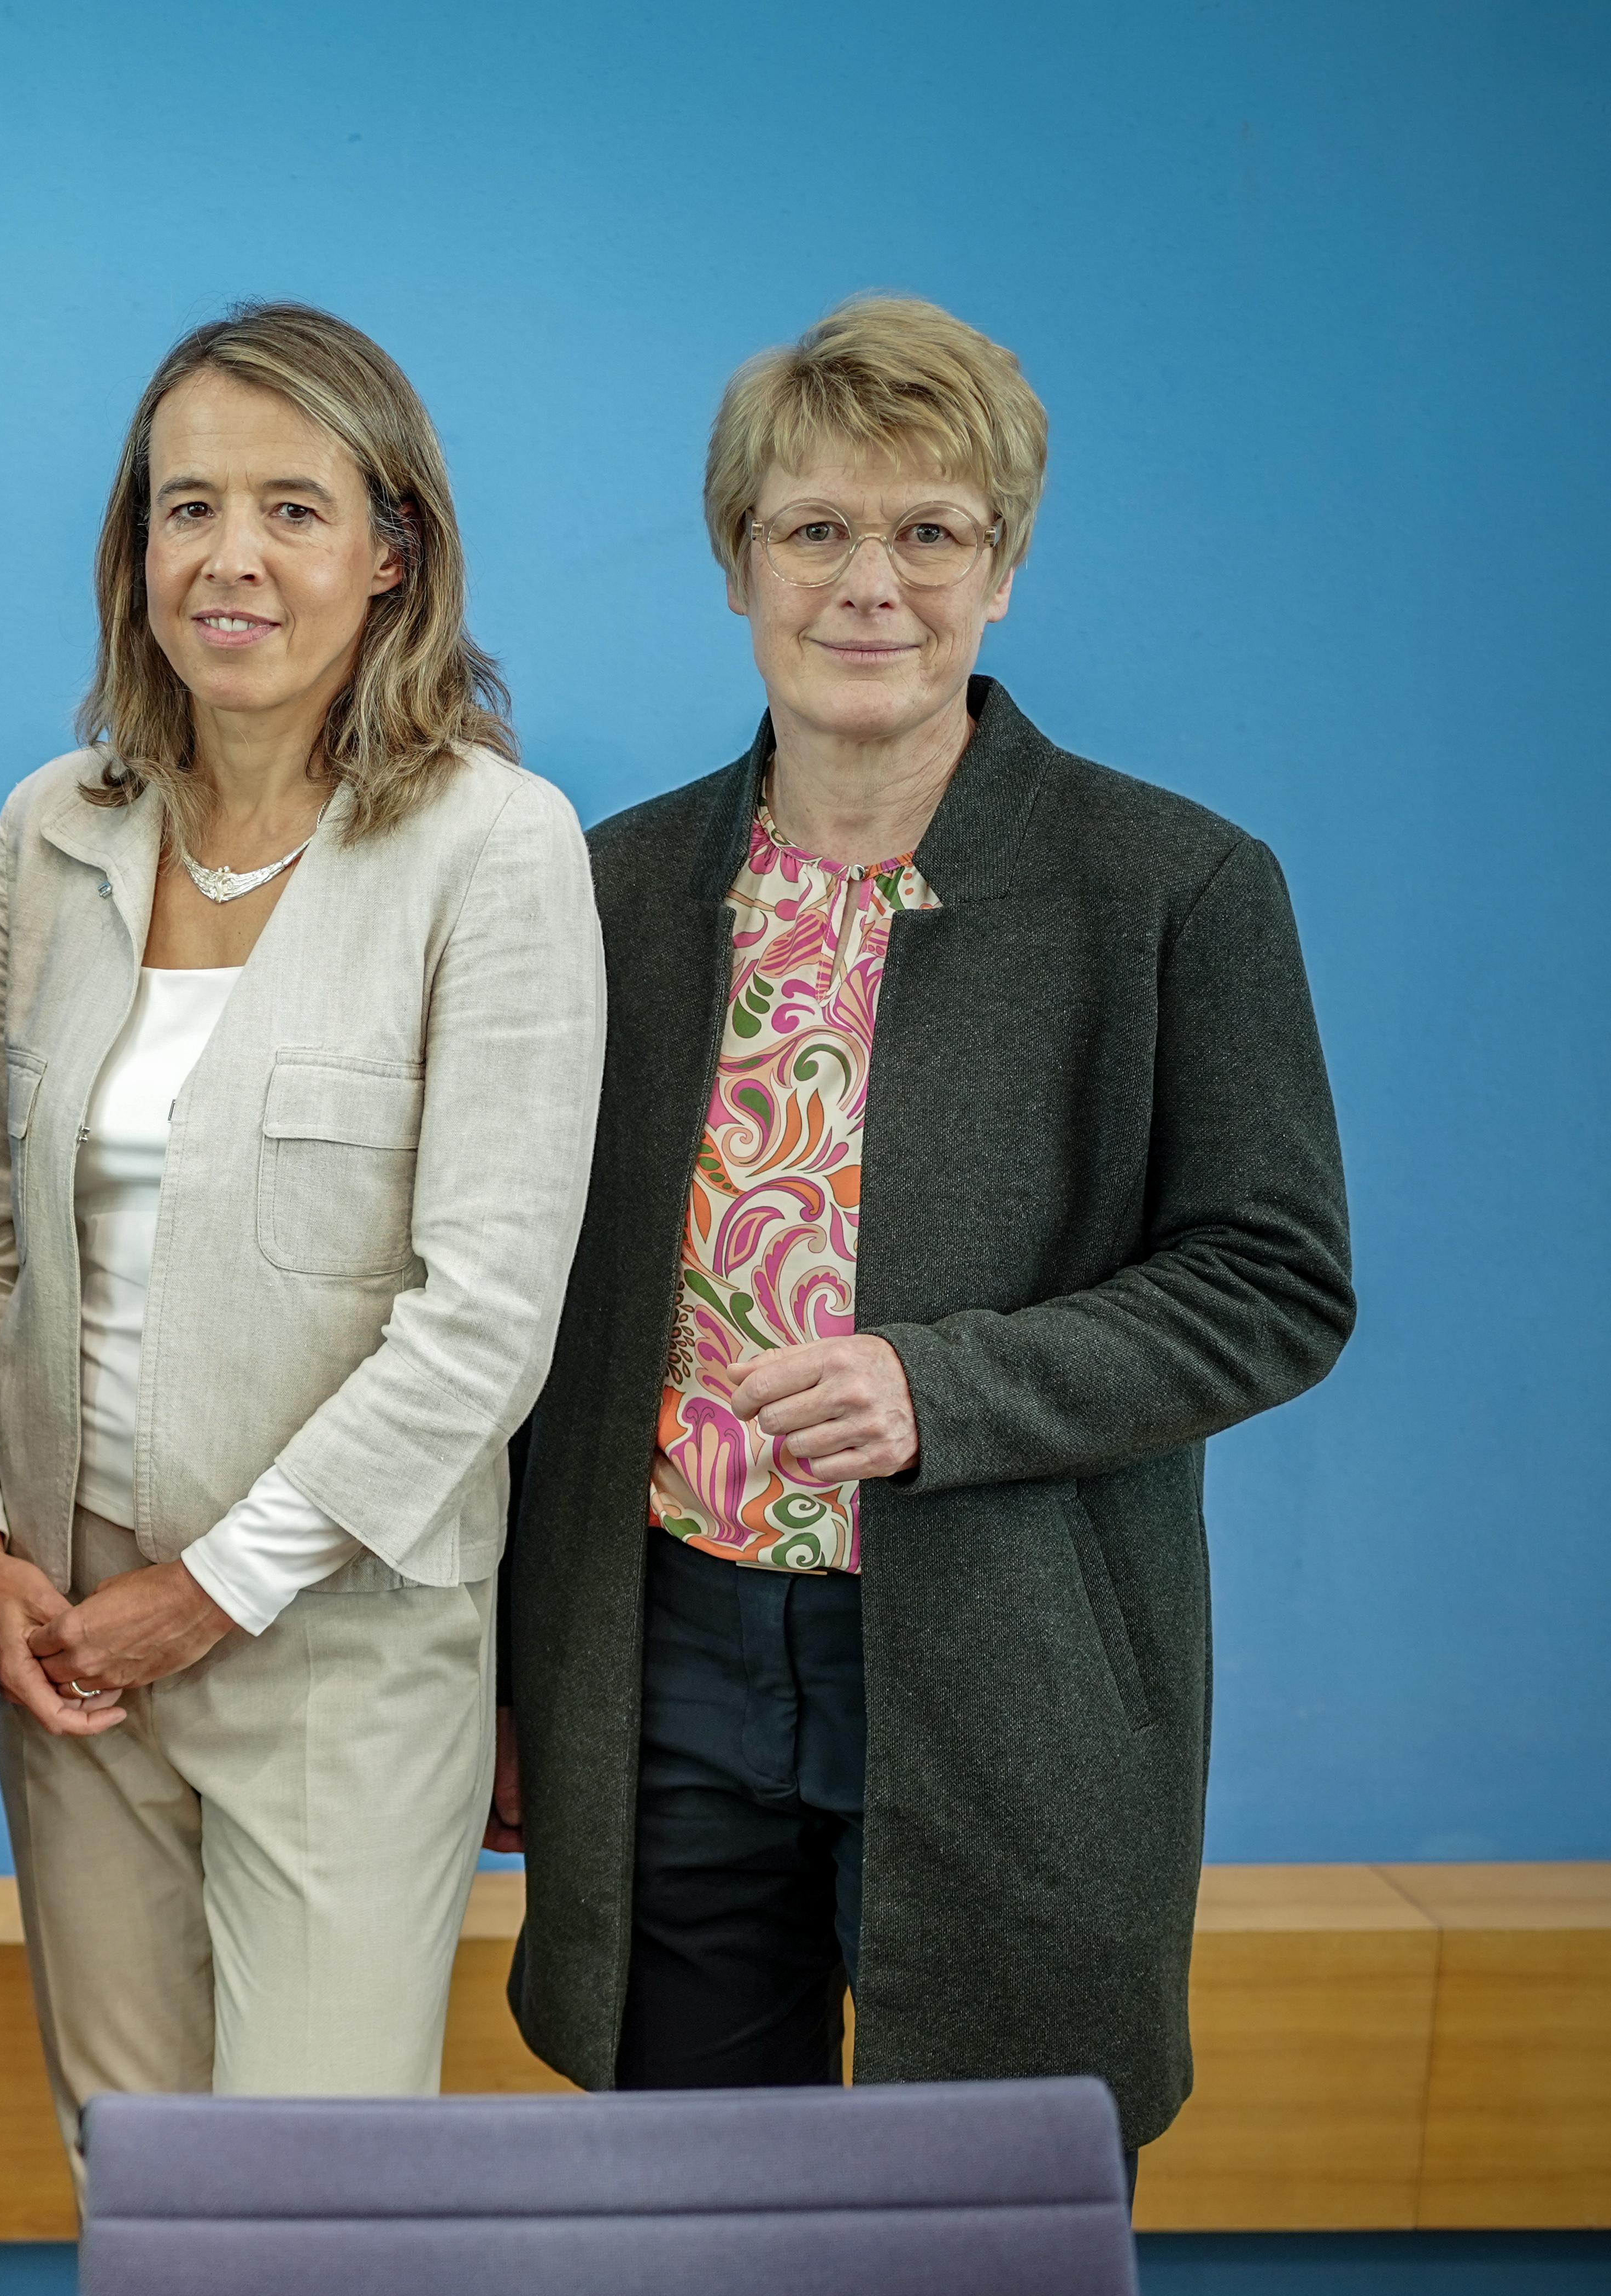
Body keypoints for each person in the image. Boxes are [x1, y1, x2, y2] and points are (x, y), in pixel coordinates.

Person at [499, 295, 1353, 2153]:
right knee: (690, 2232)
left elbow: (1274, 1282)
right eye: (814, 529)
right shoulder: (614, 888)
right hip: (666, 1659)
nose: (868, 582)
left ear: (1004, 567)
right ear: (737, 563)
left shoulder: (1172, 887)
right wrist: (516, 1674)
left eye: (929, 533)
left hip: (1009, 1658)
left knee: (984, 2245)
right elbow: (531, 1310)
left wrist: (938, 1389)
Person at [0, 303, 604, 2166]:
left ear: (391, 557)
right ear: (132, 549)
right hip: (68, 1650)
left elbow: (482, 1320)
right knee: (127, 2182)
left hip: (335, 1653)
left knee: (314, 2225)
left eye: (291, 510)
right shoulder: (49, 832)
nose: (228, 558)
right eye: (186, 508)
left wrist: (211, 1592)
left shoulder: (495, 847)